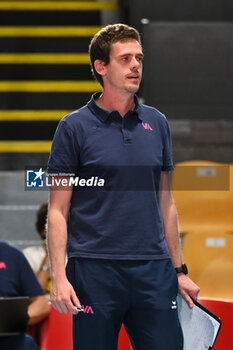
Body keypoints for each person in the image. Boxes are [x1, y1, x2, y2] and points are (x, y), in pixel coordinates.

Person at [47, 23, 200, 350]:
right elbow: (57, 210)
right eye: (126, 58)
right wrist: (59, 277)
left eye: (140, 58)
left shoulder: (157, 123)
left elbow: (166, 202)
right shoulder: (72, 127)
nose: (136, 66)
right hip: (94, 270)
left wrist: (179, 270)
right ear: (101, 67)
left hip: (153, 271)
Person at [0, 240, 50, 350]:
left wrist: (12, 320)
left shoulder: (11, 254)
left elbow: (41, 304)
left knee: (26, 344)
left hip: (8, 338)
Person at [24, 202, 52, 294]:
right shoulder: (29, 255)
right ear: (44, 231)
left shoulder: (75, 256)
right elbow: (34, 293)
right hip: (43, 306)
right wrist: (48, 257)